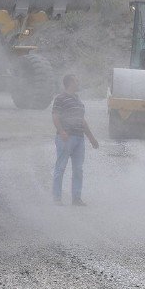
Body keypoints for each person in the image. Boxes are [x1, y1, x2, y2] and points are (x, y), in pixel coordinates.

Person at [51, 74, 99, 205]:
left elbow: (82, 121)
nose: (79, 83)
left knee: (78, 169)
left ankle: (76, 198)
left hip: (79, 138)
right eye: (77, 80)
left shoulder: (78, 100)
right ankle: (57, 198)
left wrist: (91, 138)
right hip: (66, 137)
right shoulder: (60, 98)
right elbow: (55, 116)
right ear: (70, 82)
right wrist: (61, 132)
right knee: (60, 167)